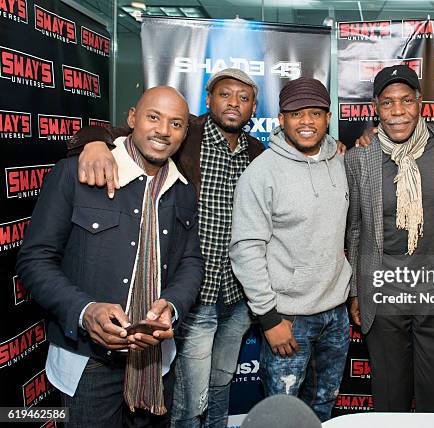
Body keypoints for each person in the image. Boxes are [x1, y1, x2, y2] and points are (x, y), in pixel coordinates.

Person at [68, 68, 262, 428]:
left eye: (244, 97)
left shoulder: (256, 151)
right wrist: (92, 142)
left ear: (253, 108)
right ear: (208, 101)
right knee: (189, 397)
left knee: (221, 383)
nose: (234, 103)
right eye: (225, 94)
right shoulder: (185, 133)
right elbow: (115, 133)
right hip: (193, 294)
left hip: (237, 294)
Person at [16, 86, 204, 427]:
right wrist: (84, 311)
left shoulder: (184, 190)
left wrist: (172, 305)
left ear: (184, 133)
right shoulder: (78, 173)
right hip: (88, 363)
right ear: (132, 118)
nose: (163, 130)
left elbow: (191, 262)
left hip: (156, 363)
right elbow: (34, 260)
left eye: (176, 123)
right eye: (153, 117)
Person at [229, 77, 351, 422]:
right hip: (288, 318)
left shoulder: (341, 163)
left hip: (336, 315)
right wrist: (269, 318)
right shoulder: (261, 173)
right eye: (296, 114)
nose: (307, 122)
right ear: (281, 119)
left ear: (328, 118)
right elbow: (246, 249)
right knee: (282, 415)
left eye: (315, 113)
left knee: (323, 408)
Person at [345, 65, 434, 412]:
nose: (397, 111)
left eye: (406, 101)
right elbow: (354, 229)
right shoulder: (359, 156)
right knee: (389, 396)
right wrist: (354, 291)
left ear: (420, 103)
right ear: (375, 108)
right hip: (383, 291)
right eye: (388, 103)